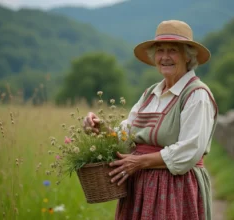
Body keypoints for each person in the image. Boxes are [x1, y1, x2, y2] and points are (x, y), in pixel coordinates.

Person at [83, 20, 218, 220]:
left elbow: (189, 150)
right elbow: (127, 137)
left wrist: (139, 162)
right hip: (140, 187)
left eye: (172, 50)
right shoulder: (150, 94)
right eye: (160, 51)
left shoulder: (196, 95)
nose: (164, 57)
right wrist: (101, 129)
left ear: (187, 56)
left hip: (176, 188)